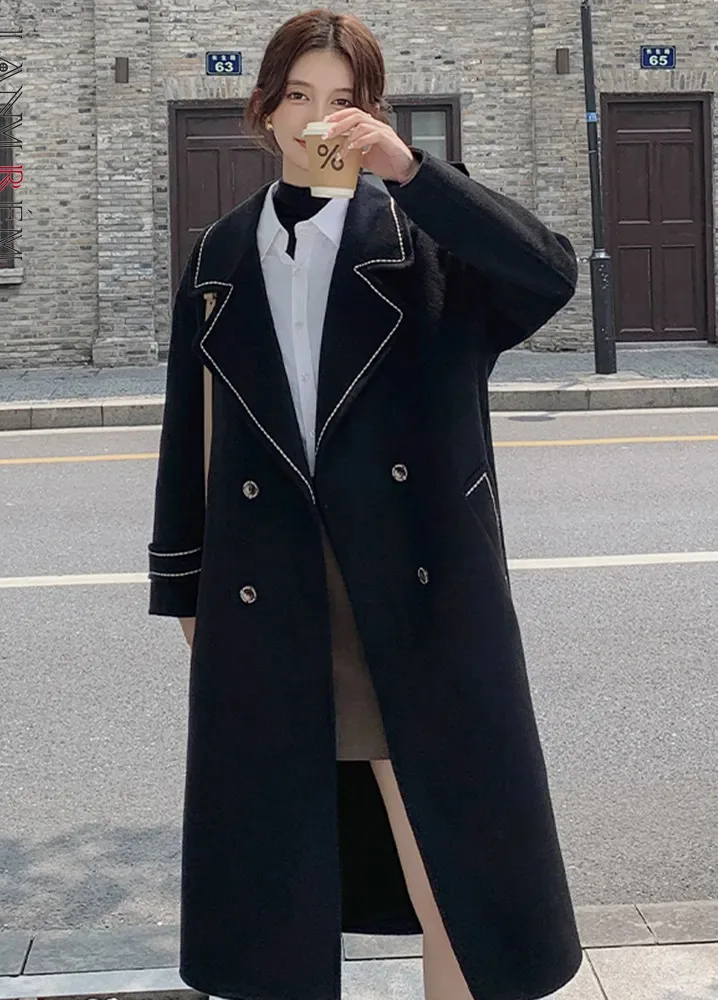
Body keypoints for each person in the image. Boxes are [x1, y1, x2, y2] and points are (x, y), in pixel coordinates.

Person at [148, 8, 584, 1000]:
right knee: (276, 862)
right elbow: (190, 431)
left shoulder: (425, 244)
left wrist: (412, 172)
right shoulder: (219, 258)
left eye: (345, 101)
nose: (320, 120)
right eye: (299, 96)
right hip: (272, 588)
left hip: (415, 583)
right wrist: (182, 587)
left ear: (375, 114)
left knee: (452, 854)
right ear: (266, 111)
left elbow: (551, 273)